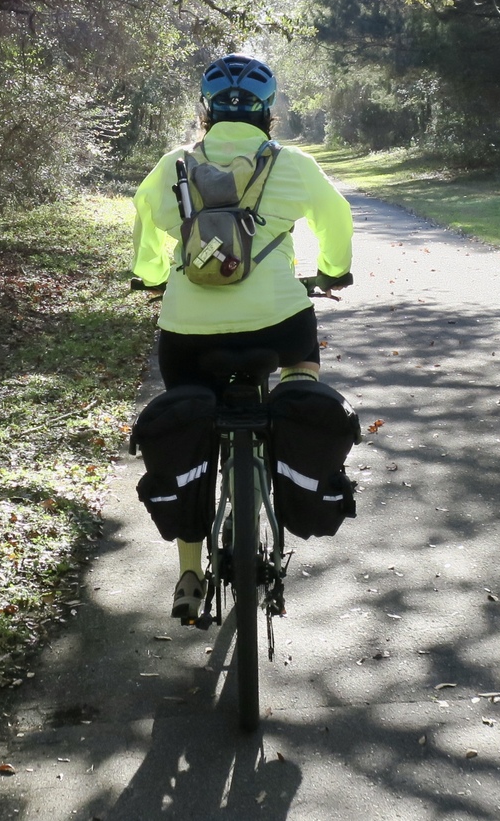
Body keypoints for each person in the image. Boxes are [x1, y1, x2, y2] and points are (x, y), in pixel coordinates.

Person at [129, 53, 354, 620]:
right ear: (268, 111)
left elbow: (144, 219)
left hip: (188, 331)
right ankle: (285, 453)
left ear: (205, 111)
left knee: (189, 417)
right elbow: (337, 217)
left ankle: (187, 572)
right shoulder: (292, 164)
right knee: (301, 375)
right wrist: (331, 271)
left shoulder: (174, 164)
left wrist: (155, 280)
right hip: (279, 324)